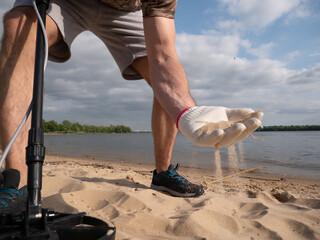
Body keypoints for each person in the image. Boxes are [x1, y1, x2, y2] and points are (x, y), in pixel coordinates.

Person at [0, 0, 263, 214]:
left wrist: (185, 111)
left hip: (127, 12)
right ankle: (18, 182)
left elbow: (163, 54)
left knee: (158, 67)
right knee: (20, 26)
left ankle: (163, 173)